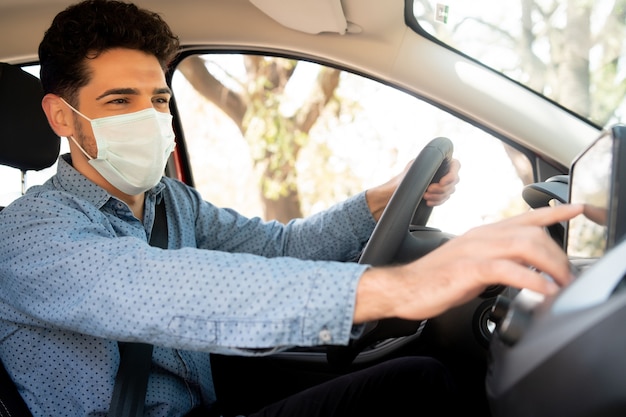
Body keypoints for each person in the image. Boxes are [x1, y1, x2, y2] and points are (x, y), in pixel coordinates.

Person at [0, 1, 582, 416]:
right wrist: (403, 287)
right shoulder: (26, 235)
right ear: (62, 118)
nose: (150, 119)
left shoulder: (169, 201)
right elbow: (153, 288)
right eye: (118, 100)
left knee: (419, 381)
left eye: (157, 100)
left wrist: (378, 201)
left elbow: (277, 247)